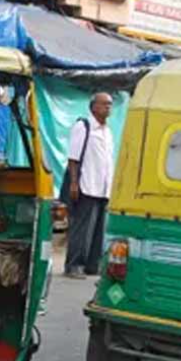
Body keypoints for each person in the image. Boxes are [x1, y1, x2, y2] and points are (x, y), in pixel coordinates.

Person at [64, 93, 114, 279]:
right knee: (82, 229)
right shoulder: (83, 126)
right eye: (104, 104)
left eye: (110, 105)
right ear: (94, 107)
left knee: (98, 230)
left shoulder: (107, 131)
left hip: (102, 188)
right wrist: (74, 183)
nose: (108, 108)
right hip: (86, 185)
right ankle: (74, 265)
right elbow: (73, 158)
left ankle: (93, 265)